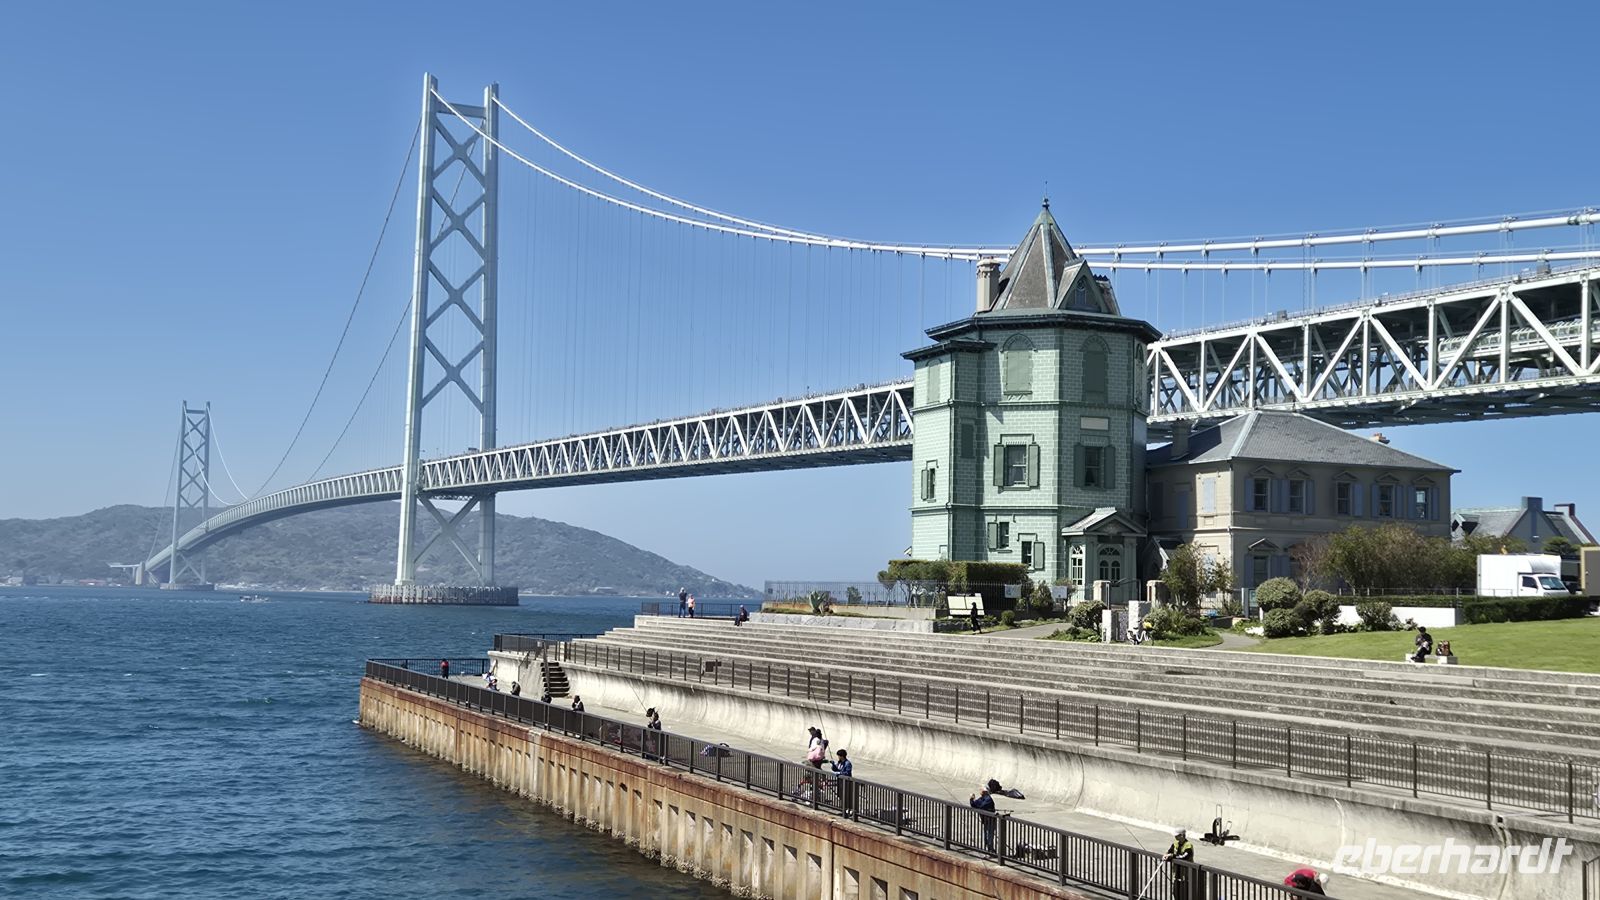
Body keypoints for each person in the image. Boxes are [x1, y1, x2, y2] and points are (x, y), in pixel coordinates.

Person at [1163, 828, 1195, 899]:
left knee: (1185, 894)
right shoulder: (1175, 843)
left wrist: (1172, 856)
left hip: (1186, 875)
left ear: (1182, 836)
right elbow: (1170, 851)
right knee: (1176, 893)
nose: (1175, 837)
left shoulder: (1188, 845)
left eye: (1177, 836)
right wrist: (1166, 855)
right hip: (1176, 874)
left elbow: (1184, 857)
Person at [969, 786, 997, 852]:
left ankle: (991, 851)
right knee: (986, 837)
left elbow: (981, 806)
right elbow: (974, 805)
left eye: (981, 789)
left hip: (990, 821)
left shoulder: (988, 799)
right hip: (985, 821)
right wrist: (971, 799)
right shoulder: (982, 798)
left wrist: (976, 805)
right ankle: (989, 850)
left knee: (989, 837)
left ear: (984, 791)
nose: (979, 791)